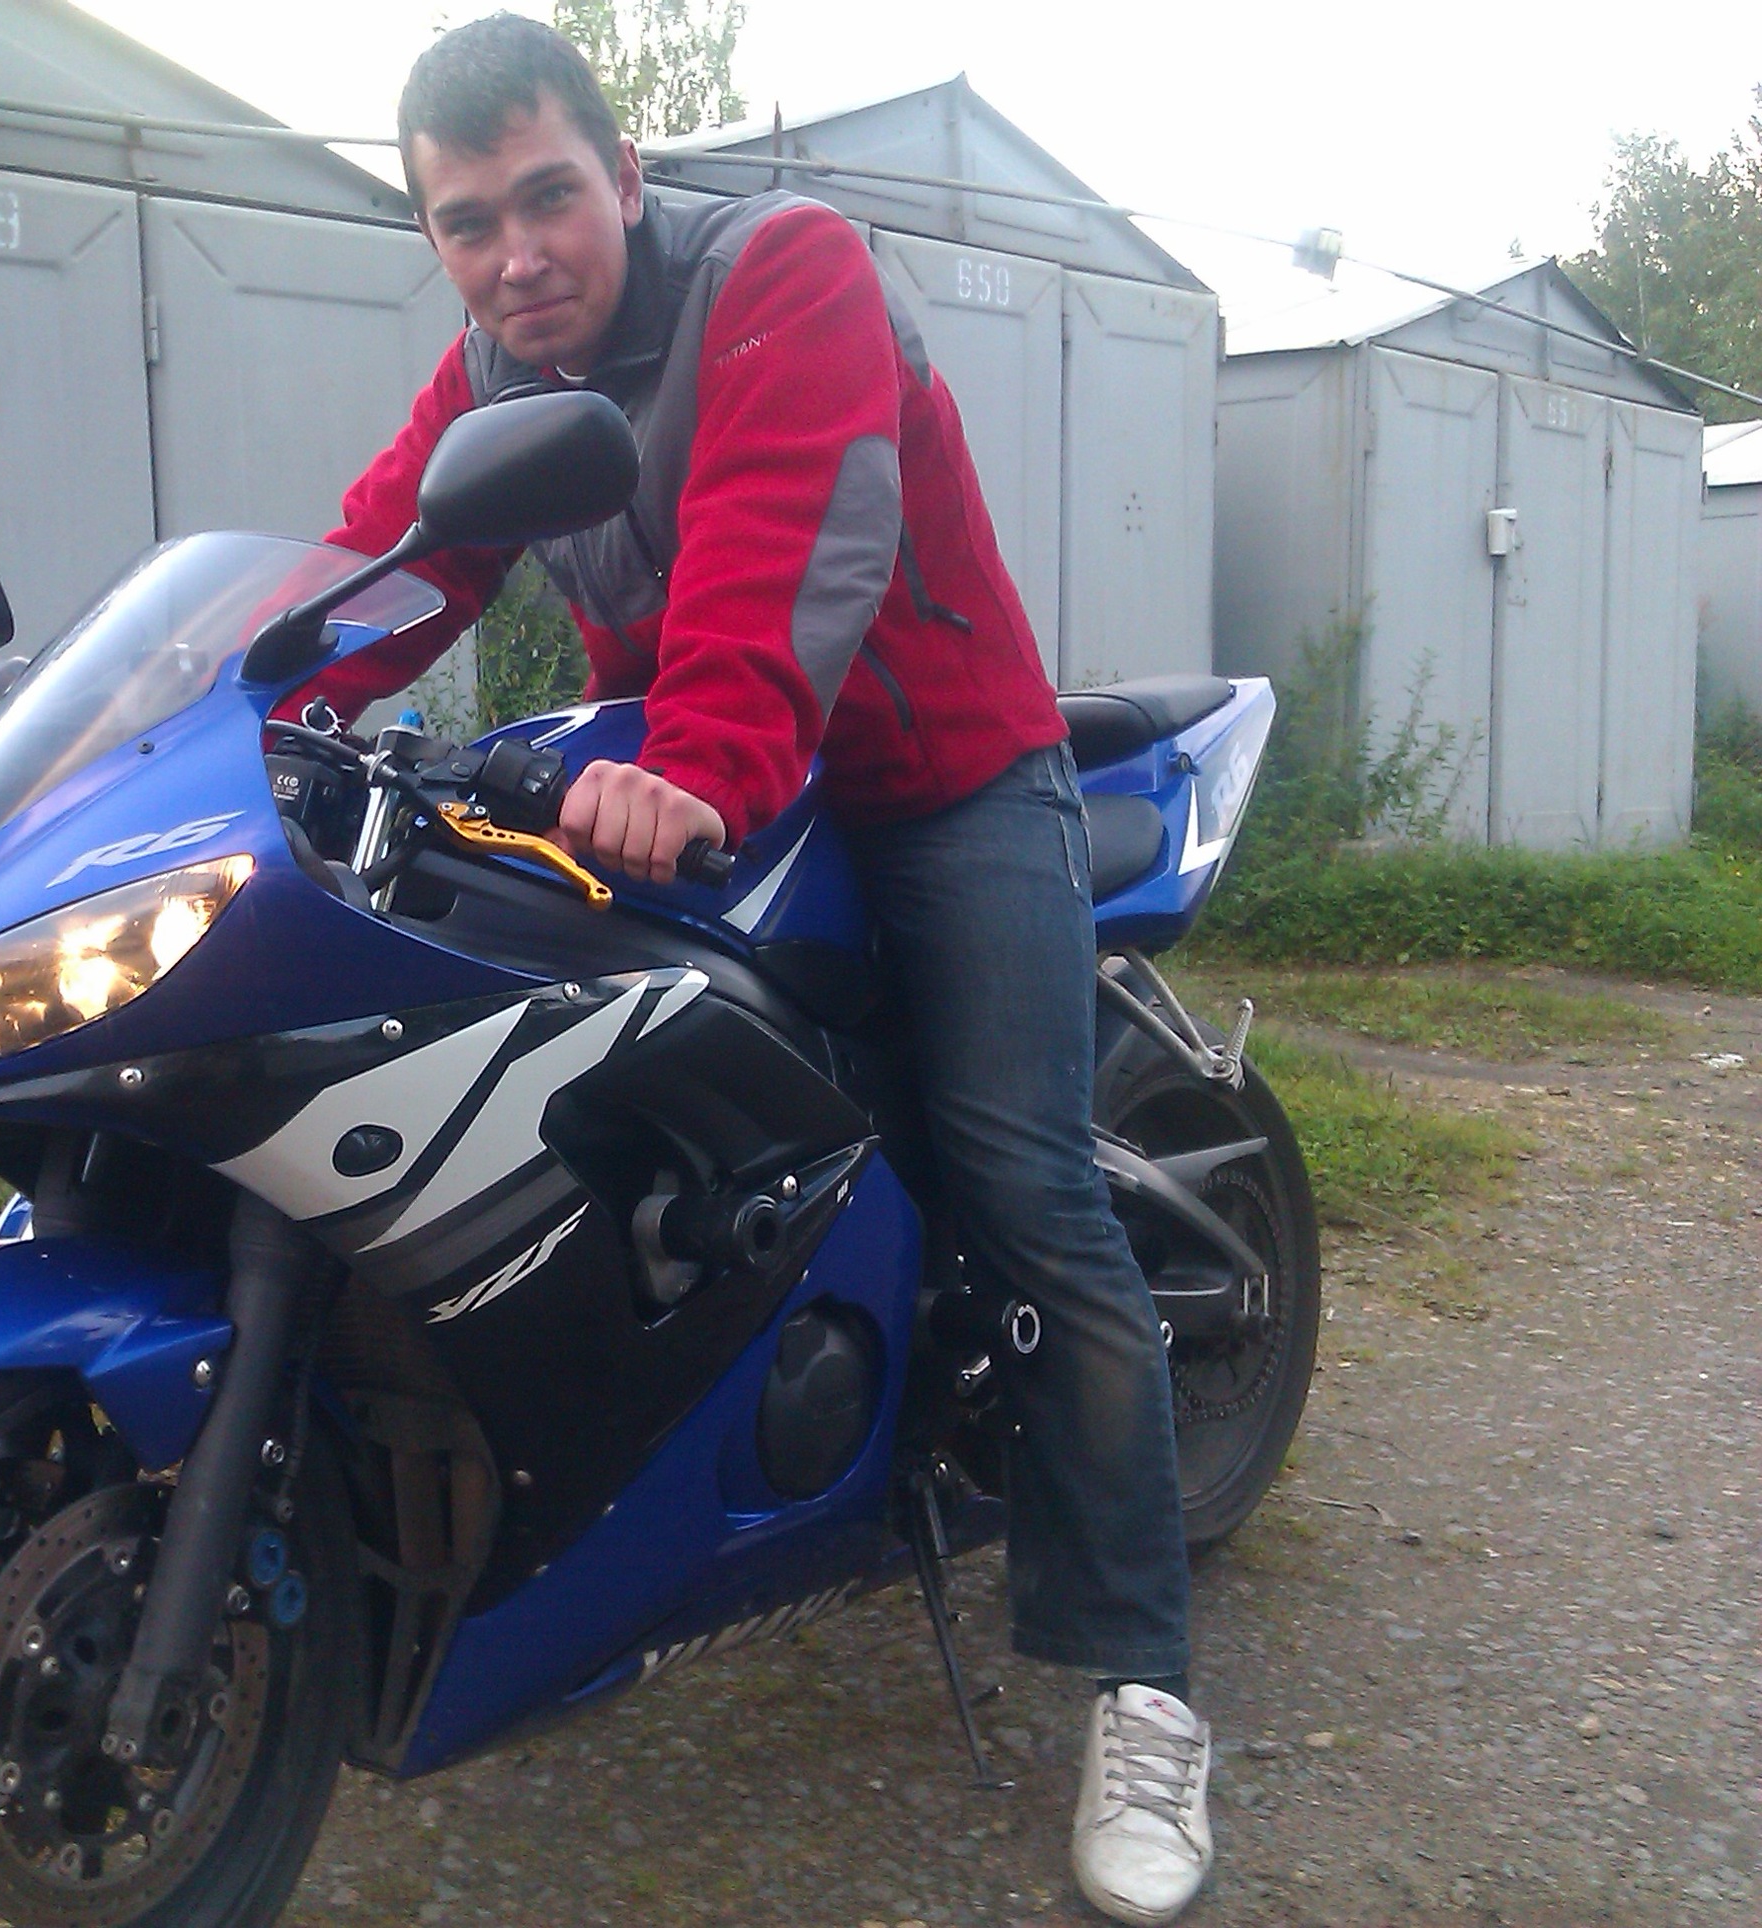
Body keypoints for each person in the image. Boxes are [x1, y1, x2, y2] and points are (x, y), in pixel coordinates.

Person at [305, 15, 1212, 1925]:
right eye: (467, 224)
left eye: (549, 197)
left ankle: (1144, 1686)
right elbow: (390, 557)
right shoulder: (499, 369)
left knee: (1027, 1190)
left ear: (627, 175)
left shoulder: (784, 273)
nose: (516, 255)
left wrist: (701, 763)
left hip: (943, 782)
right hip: (710, 785)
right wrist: (236, 707)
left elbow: (779, 552)